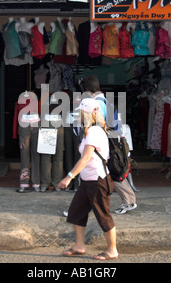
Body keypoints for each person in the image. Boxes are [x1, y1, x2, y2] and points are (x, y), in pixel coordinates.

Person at [58, 98, 118, 261]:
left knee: (102, 215)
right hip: (87, 180)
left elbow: (85, 159)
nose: (78, 115)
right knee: (76, 211)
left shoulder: (94, 132)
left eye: (80, 112)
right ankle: (79, 245)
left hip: (97, 180)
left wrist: (69, 177)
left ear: (87, 113)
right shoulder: (90, 130)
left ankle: (112, 249)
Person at [83, 75, 138, 213]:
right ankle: (129, 200)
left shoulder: (96, 102)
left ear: (87, 89)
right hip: (114, 139)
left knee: (110, 171)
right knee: (112, 171)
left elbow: (98, 122)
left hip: (107, 142)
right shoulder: (106, 100)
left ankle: (128, 201)